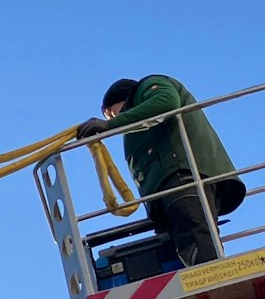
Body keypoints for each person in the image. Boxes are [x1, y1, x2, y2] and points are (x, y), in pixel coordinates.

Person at [77, 76, 245, 267]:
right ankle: (200, 277)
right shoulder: (136, 128)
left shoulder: (149, 86)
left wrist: (111, 124)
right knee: (179, 246)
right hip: (166, 192)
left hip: (182, 177)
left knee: (194, 234)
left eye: (111, 113)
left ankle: (213, 278)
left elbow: (167, 102)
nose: (113, 119)